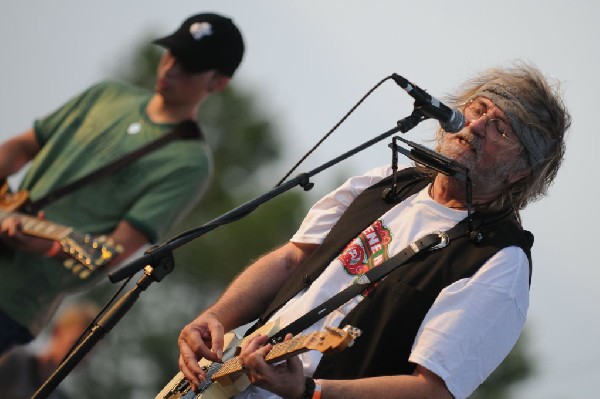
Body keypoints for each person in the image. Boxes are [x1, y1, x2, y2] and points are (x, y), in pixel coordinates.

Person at [176, 63, 571, 399]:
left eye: (501, 129)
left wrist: (310, 391)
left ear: (521, 170)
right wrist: (215, 318)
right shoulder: (387, 182)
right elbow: (292, 258)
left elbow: (432, 390)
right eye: (478, 108)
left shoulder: (500, 261)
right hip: (231, 380)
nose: (477, 125)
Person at [0, 12, 244, 356]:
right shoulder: (107, 94)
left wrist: (44, 244)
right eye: (171, 54)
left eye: (189, 65)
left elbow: (111, 251)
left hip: (13, 303)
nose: (170, 69)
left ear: (218, 83)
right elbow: (24, 146)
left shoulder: (189, 164)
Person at [0, 301, 99, 399]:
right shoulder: (12, 363)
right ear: (57, 332)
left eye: (89, 350)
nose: (82, 354)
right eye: (76, 342)